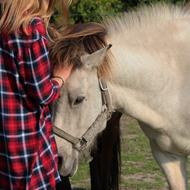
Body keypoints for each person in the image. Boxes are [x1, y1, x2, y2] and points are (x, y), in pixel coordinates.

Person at [0, 0, 73, 189]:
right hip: (26, 145)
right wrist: (60, 77)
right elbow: (43, 94)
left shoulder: (4, 24)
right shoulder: (28, 30)